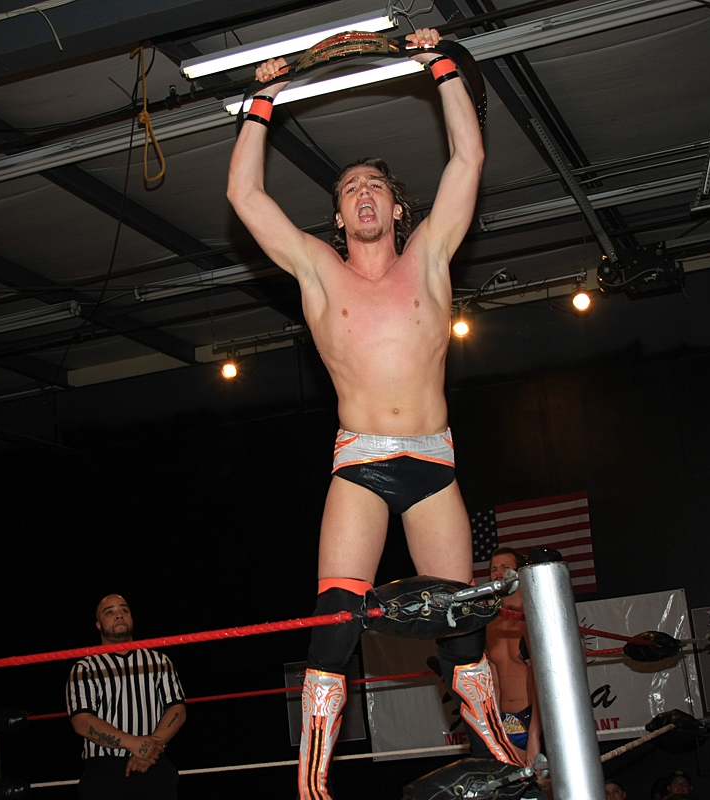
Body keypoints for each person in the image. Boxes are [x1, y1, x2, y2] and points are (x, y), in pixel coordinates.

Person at [228, 26, 487, 798]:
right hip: (362, 463)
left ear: (397, 207)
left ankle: (499, 756)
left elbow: (467, 160)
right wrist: (261, 101)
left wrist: (440, 66)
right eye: (349, 190)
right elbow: (246, 197)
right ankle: (312, 784)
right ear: (338, 218)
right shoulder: (318, 269)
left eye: (375, 185)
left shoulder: (430, 255)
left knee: (462, 627)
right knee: (335, 621)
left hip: (433, 458)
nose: (363, 195)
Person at [65, 594, 187, 799]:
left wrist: (148, 749)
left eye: (124, 610)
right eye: (110, 612)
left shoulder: (159, 661)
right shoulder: (84, 668)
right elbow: (82, 721)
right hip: (105, 771)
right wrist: (134, 744)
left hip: (154, 764)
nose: (119, 615)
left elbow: (177, 709)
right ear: (98, 625)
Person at [484, 547, 543, 766]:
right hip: (506, 722)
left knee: (548, 783)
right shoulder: (491, 623)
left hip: (536, 718)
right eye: (494, 569)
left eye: (505, 568)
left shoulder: (532, 616)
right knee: (517, 783)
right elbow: (494, 682)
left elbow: (540, 680)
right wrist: (496, 727)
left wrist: (535, 734)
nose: (498, 573)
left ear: (519, 573)